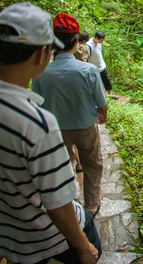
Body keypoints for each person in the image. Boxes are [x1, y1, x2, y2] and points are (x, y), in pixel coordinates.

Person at [0, 2, 100, 264]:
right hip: (45, 235)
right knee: (90, 238)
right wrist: (83, 246)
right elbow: (58, 205)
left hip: (1, 232)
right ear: (40, 54)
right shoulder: (39, 123)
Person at [32, 13, 108, 216]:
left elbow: (36, 105)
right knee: (92, 166)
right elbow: (102, 103)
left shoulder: (40, 73)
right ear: (76, 42)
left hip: (56, 131)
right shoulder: (89, 71)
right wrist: (102, 116)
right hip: (85, 128)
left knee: (64, 167)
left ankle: (72, 202)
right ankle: (91, 206)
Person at [86, 30, 117, 98]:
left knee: (107, 80)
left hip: (102, 66)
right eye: (100, 41)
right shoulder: (88, 46)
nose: (101, 42)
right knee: (95, 83)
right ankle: (97, 96)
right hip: (93, 67)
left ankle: (110, 93)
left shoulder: (99, 43)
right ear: (96, 38)